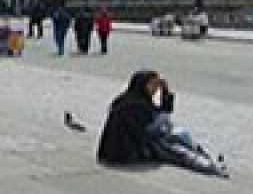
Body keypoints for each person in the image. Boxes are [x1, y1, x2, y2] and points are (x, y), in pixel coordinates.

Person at [96, 70, 227, 177]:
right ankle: (208, 165)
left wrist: (165, 91)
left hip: (126, 147)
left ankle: (207, 160)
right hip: (126, 152)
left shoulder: (133, 98)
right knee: (175, 146)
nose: (155, 89)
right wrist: (164, 131)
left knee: (178, 136)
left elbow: (160, 114)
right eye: (153, 85)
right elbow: (147, 131)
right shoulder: (134, 104)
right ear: (143, 85)